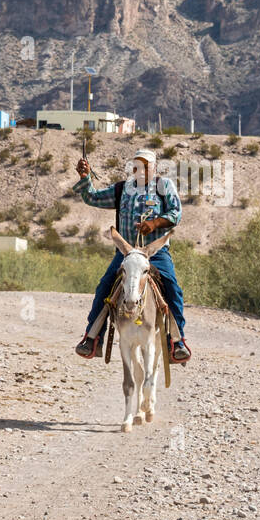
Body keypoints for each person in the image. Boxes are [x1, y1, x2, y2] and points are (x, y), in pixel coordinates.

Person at [71, 148, 190, 364]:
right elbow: (92, 198)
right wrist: (85, 177)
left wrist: (154, 224)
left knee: (172, 287)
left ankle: (177, 341)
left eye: (146, 166)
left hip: (155, 252)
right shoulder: (121, 189)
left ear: (154, 167)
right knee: (105, 287)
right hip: (126, 252)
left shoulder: (164, 187)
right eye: (137, 166)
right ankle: (92, 338)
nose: (141, 170)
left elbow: (175, 213)